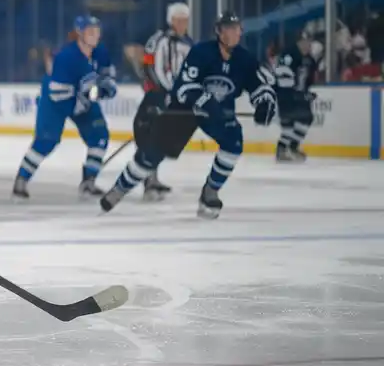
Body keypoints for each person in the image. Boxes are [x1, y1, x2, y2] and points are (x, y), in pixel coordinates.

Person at [100, 12, 277, 219]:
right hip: (185, 109)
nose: (233, 33)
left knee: (233, 144)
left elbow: (258, 87)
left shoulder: (245, 59)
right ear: (219, 32)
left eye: (236, 29)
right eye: (228, 29)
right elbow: (183, 86)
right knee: (154, 153)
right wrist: (204, 101)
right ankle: (120, 188)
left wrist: (264, 103)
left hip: (219, 114)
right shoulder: (201, 52)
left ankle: (210, 192)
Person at [12, 16, 117, 200]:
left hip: (83, 100)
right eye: (90, 31)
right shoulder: (66, 57)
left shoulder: (101, 52)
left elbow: (108, 80)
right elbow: (58, 94)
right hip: (56, 102)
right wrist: (87, 97)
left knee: (99, 136)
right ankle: (21, 180)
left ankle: (88, 182)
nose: (95, 35)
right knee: (47, 140)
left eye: (97, 31)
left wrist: (103, 90)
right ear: (80, 34)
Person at [136, 3, 194, 200]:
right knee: (149, 135)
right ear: (171, 20)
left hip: (175, 98)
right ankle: (148, 181)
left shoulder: (188, 43)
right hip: (157, 96)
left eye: (185, 19)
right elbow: (150, 67)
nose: (182, 23)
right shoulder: (159, 40)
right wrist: (164, 92)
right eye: (178, 19)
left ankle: (153, 178)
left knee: (163, 138)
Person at [273, 33, 316, 162]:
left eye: (310, 42)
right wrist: (293, 93)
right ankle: (282, 149)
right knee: (288, 123)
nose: (309, 45)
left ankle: (292, 147)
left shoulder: (309, 59)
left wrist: (306, 92)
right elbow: (282, 78)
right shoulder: (288, 55)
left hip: (299, 96)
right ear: (299, 42)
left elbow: (309, 79)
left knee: (306, 118)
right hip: (285, 95)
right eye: (306, 41)